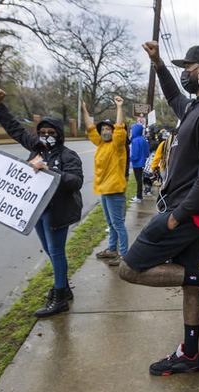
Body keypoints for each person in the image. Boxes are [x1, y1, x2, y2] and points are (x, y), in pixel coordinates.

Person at [118, 41, 199, 376]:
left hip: (187, 212)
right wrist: (158, 65)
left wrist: (175, 218)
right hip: (184, 208)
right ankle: (189, 354)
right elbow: (174, 97)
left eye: (187, 67)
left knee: (129, 268)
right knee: (189, 281)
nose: (184, 73)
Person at [0, 88, 84, 317]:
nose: (46, 135)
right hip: (38, 210)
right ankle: (64, 287)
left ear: (59, 134)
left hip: (58, 211)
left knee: (57, 251)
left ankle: (60, 295)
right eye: (42, 132)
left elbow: (76, 181)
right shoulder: (37, 147)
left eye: (51, 132)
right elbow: (16, 130)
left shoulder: (68, 155)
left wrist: (51, 171)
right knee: (50, 250)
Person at [81, 96, 129, 267]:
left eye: (109, 128)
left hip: (115, 191)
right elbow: (90, 127)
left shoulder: (117, 145)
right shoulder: (101, 144)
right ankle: (111, 249)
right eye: (104, 129)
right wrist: (84, 110)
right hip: (104, 191)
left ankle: (124, 255)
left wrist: (119, 107)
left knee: (118, 224)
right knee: (111, 224)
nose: (105, 131)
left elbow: (120, 128)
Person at [129, 122, 149, 203]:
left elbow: (135, 155)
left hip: (137, 163)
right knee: (140, 179)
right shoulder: (144, 139)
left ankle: (139, 197)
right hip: (143, 162)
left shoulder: (135, 140)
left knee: (138, 180)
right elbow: (147, 153)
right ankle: (139, 196)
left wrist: (130, 159)